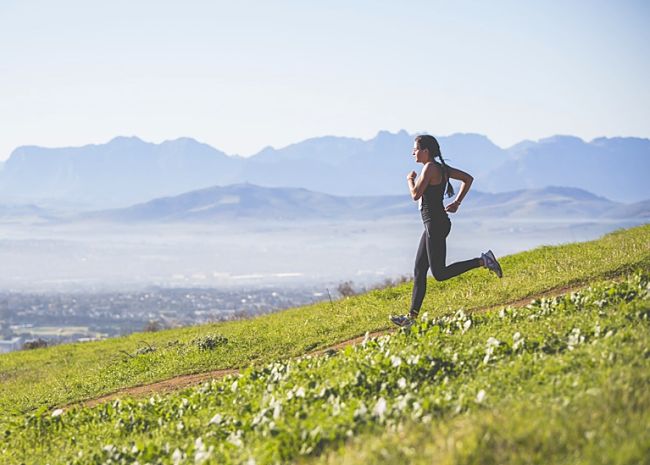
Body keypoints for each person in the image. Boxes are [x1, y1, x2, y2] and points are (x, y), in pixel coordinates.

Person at [390, 135, 502, 328]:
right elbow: (468, 179)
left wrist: (410, 180)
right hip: (434, 224)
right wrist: (457, 202)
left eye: (415, 149)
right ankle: (411, 318)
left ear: (426, 151)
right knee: (419, 270)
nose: (413, 152)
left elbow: (415, 194)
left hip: (436, 224)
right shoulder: (440, 168)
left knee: (439, 273)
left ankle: (484, 261)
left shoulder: (430, 168)